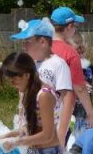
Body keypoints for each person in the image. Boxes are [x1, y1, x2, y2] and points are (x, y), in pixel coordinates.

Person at [10, 19, 73, 147]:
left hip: (51, 133)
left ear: (42, 42)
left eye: (27, 42)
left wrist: (61, 134)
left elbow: (68, 100)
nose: (24, 46)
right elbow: (24, 97)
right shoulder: (30, 65)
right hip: (32, 131)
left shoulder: (58, 64)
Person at [50, 7, 93, 143]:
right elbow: (80, 88)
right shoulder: (70, 53)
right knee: (58, 147)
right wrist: (90, 113)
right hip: (60, 110)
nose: (75, 29)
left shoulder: (41, 47)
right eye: (75, 26)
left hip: (39, 106)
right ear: (69, 27)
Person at [68, 32, 93, 141]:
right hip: (69, 114)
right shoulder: (65, 66)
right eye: (78, 48)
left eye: (83, 46)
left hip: (85, 114)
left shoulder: (89, 67)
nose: (81, 50)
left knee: (82, 142)